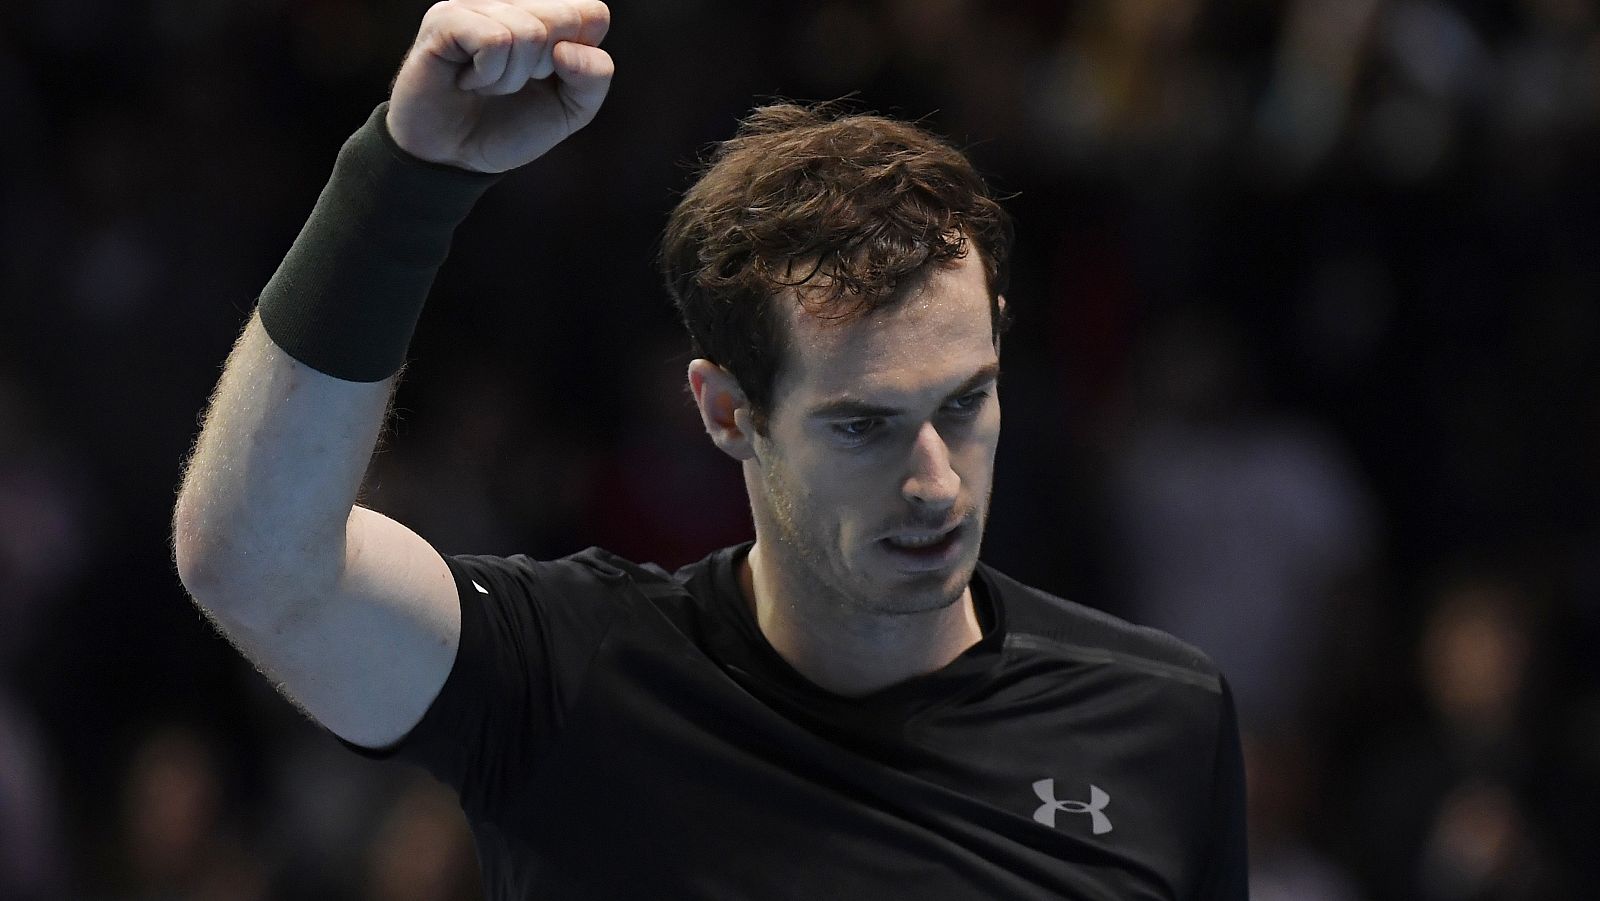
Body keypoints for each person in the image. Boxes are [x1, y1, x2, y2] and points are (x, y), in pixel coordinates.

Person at [171, 1, 1247, 896]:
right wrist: (402, 180)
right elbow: (253, 562)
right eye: (861, 423)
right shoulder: (571, 679)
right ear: (728, 413)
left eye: (964, 403)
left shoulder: (1161, 719)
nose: (933, 480)